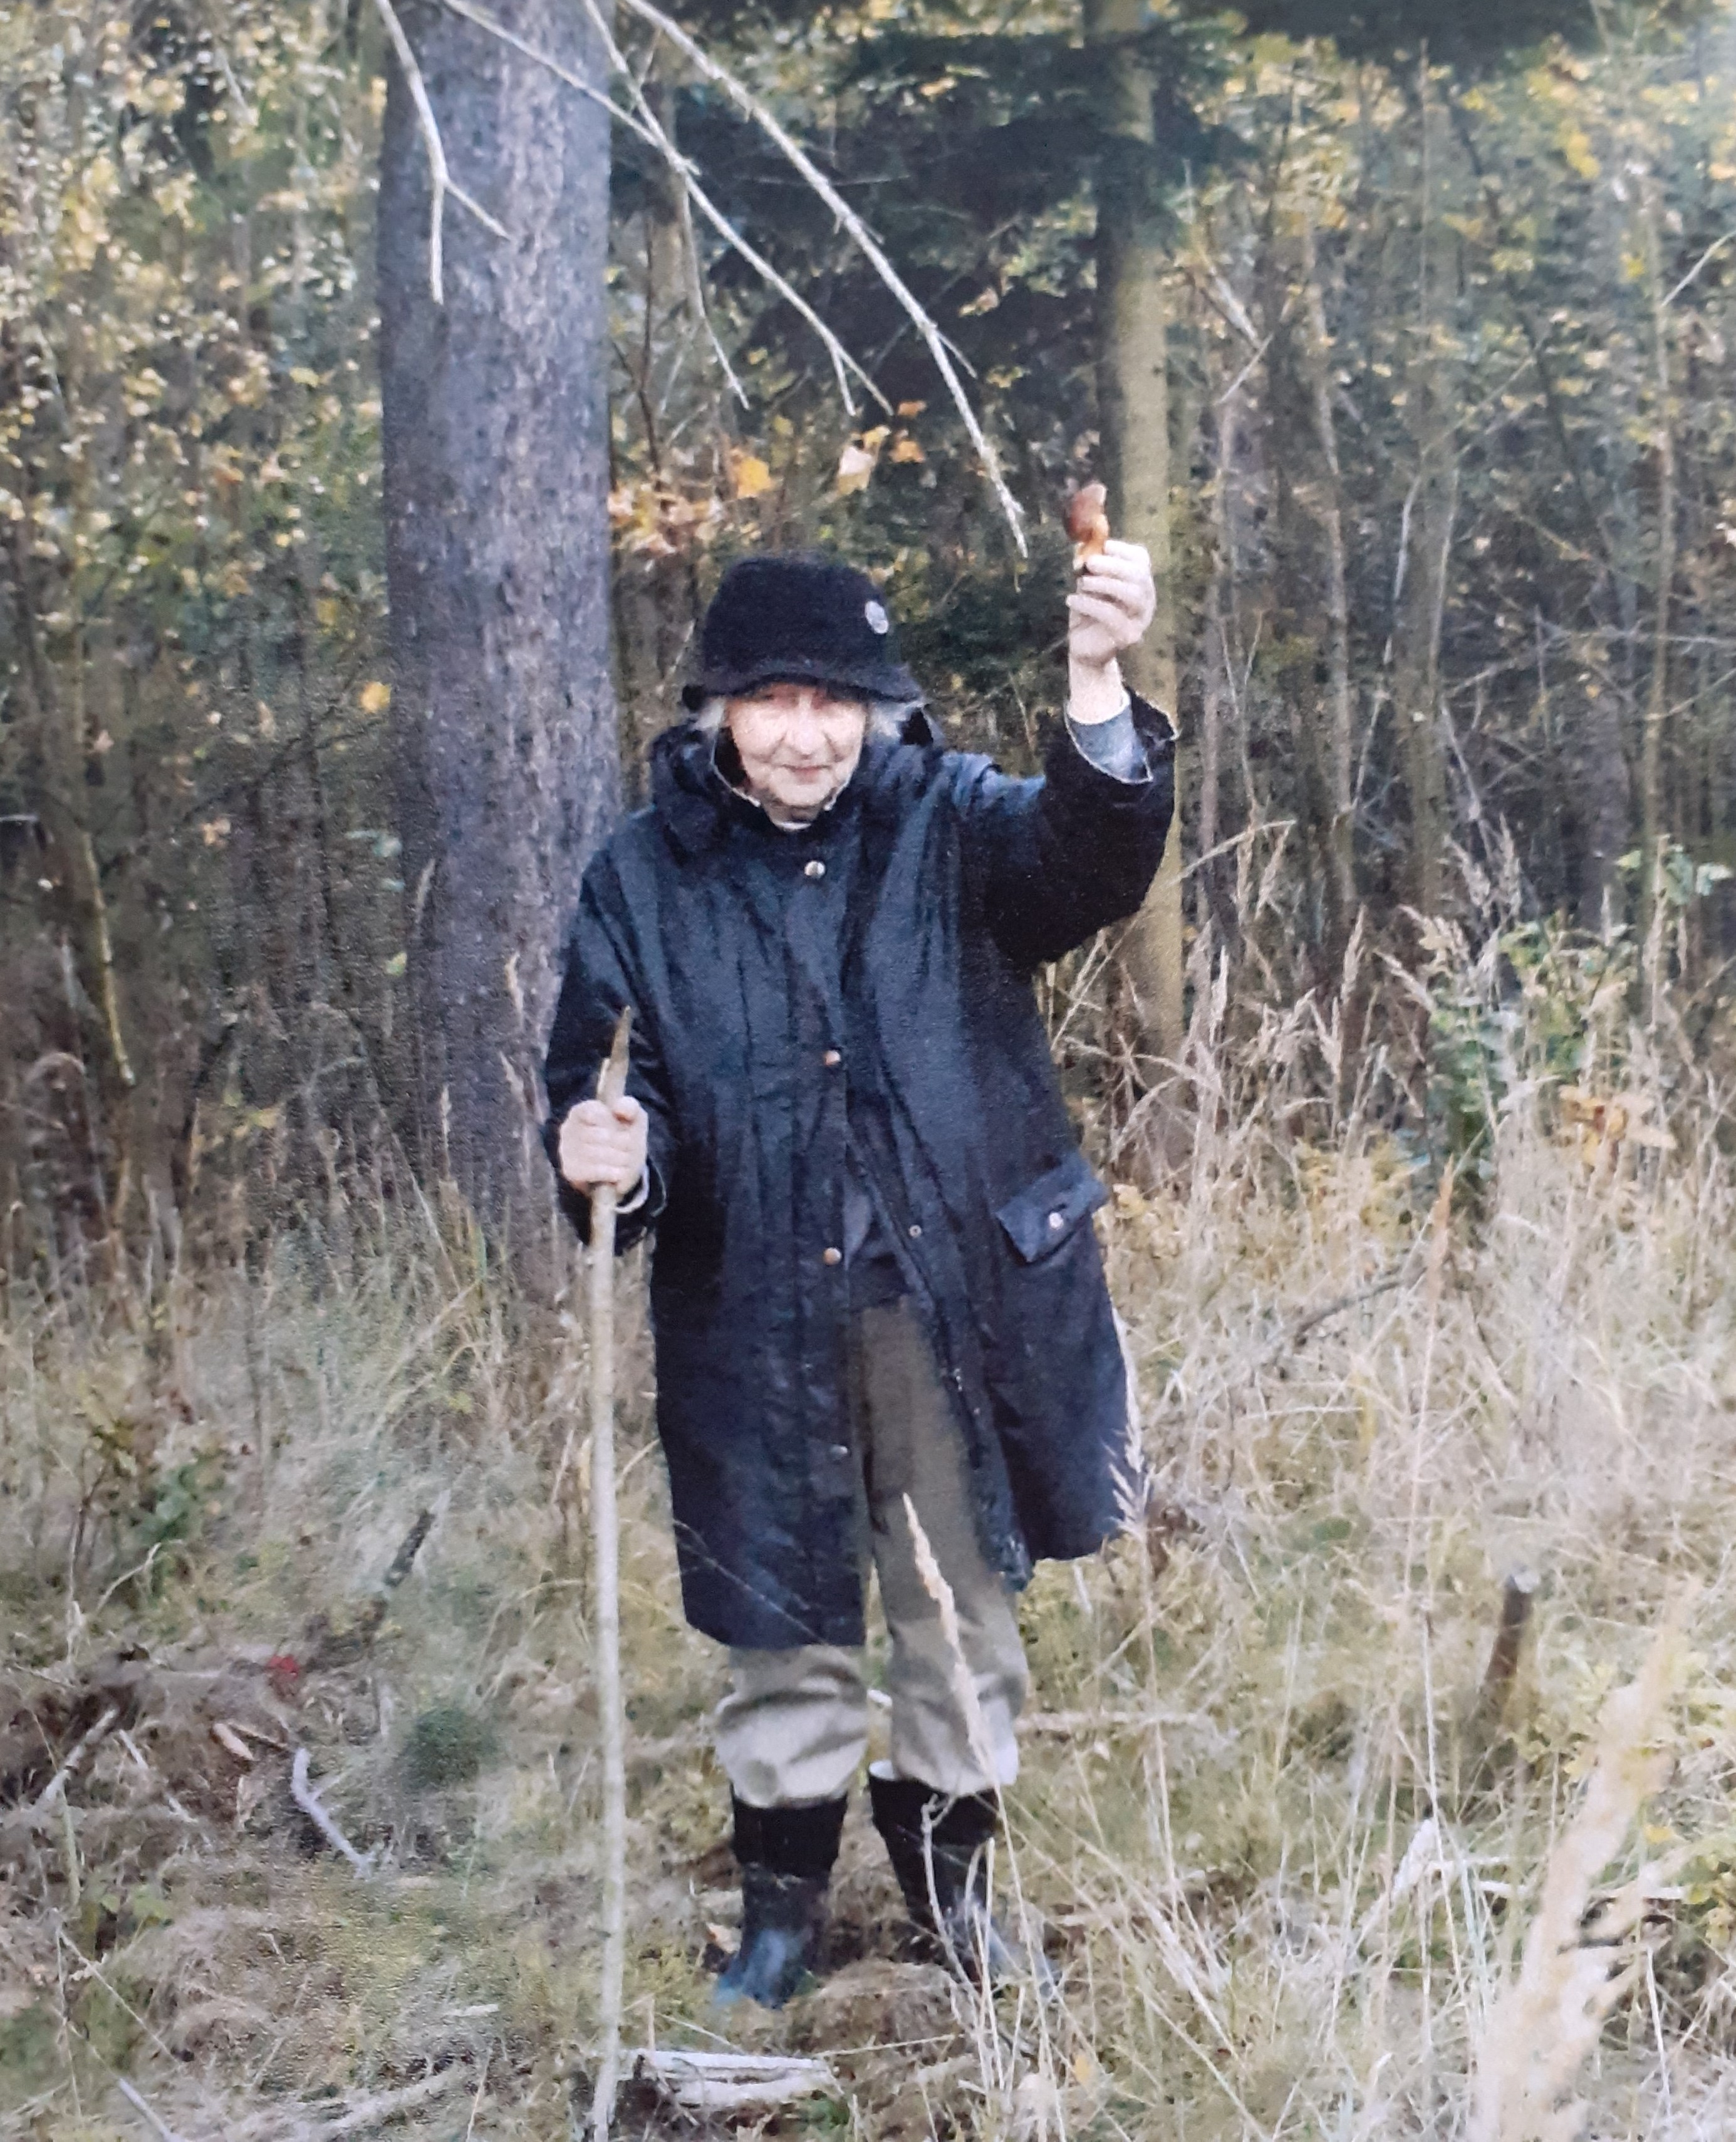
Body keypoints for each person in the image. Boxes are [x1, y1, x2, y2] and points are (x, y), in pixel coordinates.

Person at [544, 534, 1173, 2008]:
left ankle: (956, 1895)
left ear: (878, 712)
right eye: (773, 700)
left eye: (835, 701)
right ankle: (779, 1920)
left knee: (959, 1610)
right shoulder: (641, 876)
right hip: (750, 1315)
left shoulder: (950, 823)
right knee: (781, 1619)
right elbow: (609, 1082)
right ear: (718, 710)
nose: (806, 733)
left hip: (947, 1311)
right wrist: (609, 1151)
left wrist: (1097, 679)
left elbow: (1089, 863)